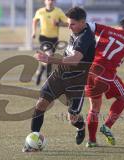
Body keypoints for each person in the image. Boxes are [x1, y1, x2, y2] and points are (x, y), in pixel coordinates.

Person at [23, 7, 96, 152]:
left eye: (72, 24)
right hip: (60, 76)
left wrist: (49, 59)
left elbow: (75, 60)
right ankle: (32, 143)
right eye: (68, 23)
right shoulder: (76, 31)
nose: (69, 26)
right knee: (41, 104)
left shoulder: (86, 37)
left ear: (82, 22)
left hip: (76, 82)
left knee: (72, 117)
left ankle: (81, 127)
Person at [85, 17, 124, 147]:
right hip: (107, 75)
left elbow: (88, 25)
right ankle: (107, 126)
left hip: (90, 72)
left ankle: (92, 141)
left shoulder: (106, 30)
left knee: (94, 109)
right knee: (123, 97)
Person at [32, 0, 68, 85]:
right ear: (44, 1)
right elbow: (35, 21)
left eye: (52, 0)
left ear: (54, 1)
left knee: (48, 59)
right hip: (43, 38)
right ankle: (48, 79)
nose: (50, 1)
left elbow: (67, 23)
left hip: (54, 39)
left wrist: (58, 24)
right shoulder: (40, 11)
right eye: (48, 0)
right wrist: (33, 32)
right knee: (49, 55)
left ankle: (40, 72)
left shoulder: (58, 11)